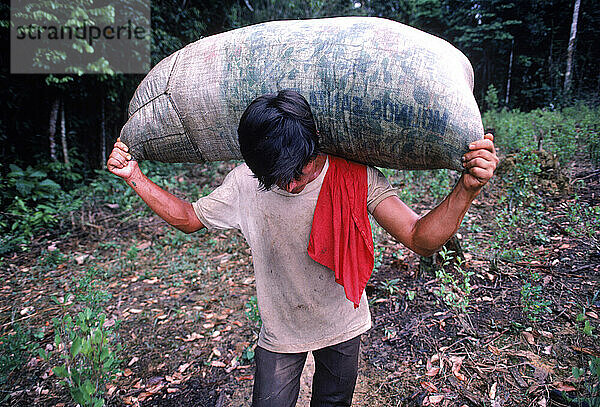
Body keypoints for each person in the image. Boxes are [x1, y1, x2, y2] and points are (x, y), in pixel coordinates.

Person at [108, 89, 498, 406]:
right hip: (280, 330)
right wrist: (134, 176)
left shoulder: (353, 175)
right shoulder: (245, 182)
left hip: (343, 323)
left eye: (303, 169)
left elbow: (419, 238)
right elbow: (189, 218)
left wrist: (466, 189)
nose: (293, 184)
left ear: (316, 146)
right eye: (279, 178)